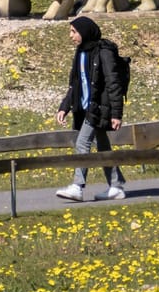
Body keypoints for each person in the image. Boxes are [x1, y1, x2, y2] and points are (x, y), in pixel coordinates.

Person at [54, 16, 128, 202]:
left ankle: (77, 187)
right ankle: (116, 186)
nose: (71, 36)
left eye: (74, 32)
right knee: (103, 146)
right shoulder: (80, 53)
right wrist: (64, 107)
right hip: (86, 109)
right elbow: (75, 84)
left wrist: (116, 114)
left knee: (82, 143)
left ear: (85, 32)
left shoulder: (104, 52)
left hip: (99, 108)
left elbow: (114, 83)